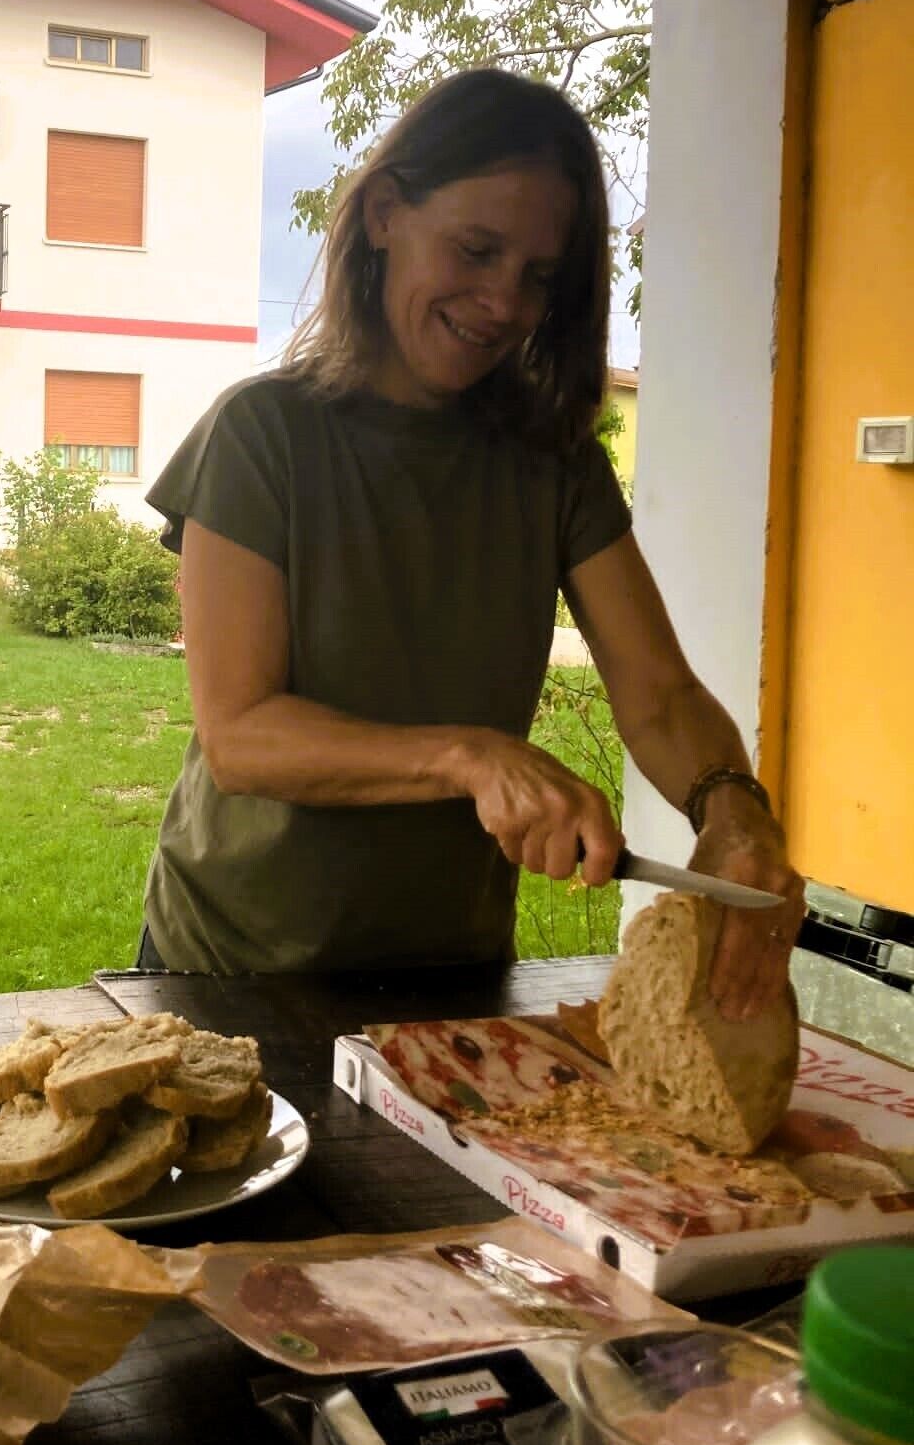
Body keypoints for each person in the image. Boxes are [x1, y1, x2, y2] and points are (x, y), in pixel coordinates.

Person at [140, 69, 802, 1016]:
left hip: (453, 975)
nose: (503, 302)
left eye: (538, 277)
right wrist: (471, 756)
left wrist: (733, 807)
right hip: (234, 969)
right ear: (383, 214)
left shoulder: (553, 458)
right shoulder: (261, 432)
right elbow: (242, 734)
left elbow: (661, 699)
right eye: (477, 249)